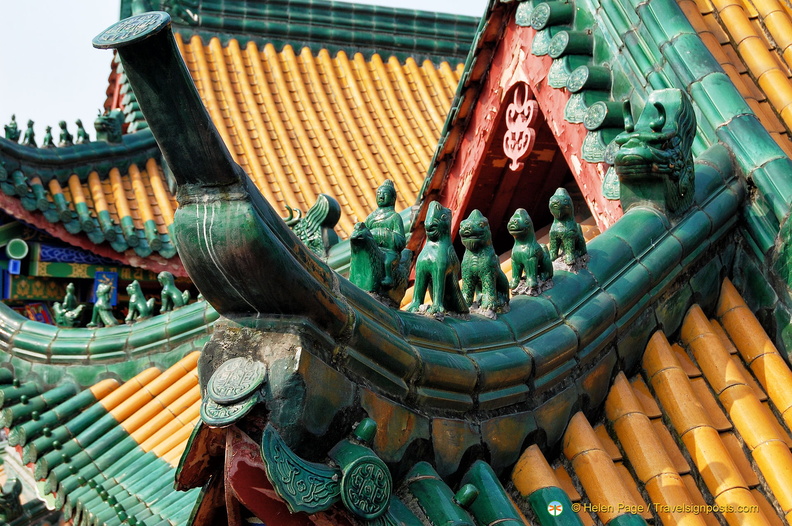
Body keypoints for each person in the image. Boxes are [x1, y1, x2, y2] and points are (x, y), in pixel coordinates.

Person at [364, 180, 405, 287]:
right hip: (372, 248)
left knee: (387, 261)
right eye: (379, 194)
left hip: (389, 251)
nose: (381, 197)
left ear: (392, 198)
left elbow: (401, 240)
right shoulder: (370, 218)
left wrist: (384, 235)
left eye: (385, 194)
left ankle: (388, 278)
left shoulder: (395, 217)